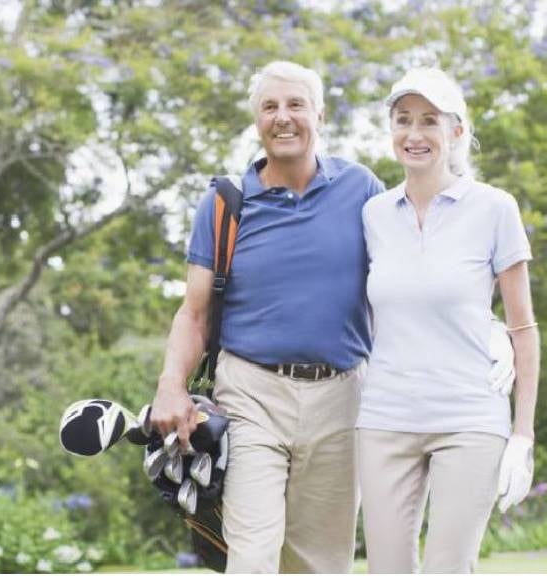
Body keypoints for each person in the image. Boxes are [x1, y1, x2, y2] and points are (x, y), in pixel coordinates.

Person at [150, 60, 384, 573]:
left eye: (296, 104)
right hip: (252, 393)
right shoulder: (223, 204)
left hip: (343, 396)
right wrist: (171, 384)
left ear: (320, 115)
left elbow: (403, 283)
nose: (283, 117)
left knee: (320, 563)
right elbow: (193, 314)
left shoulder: (362, 190)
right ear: (256, 121)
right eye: (270, 107)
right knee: (252, 554)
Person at [356, 67, 540, 573]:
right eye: (403, 120)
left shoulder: (494, 208)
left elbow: (523, 327)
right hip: (385, 420)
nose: (414, 134)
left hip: (468, 419)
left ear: (456, 132)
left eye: (429, 121)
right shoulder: (373, 214)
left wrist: (522, 435)